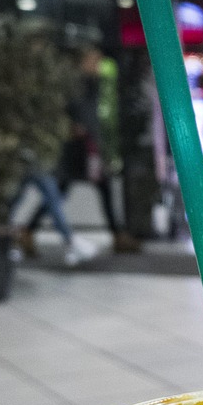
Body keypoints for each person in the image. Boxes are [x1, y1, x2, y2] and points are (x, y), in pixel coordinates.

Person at [24, 46, 140, 253]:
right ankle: (28, 231)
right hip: (75, 147)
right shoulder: (74, 82)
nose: (97, 65)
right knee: (60, 190)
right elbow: (69, 108)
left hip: (87, 145)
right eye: (94, 60)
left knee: (85, 188)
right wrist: (74, 127)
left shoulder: (93, 83)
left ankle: (117, 234)